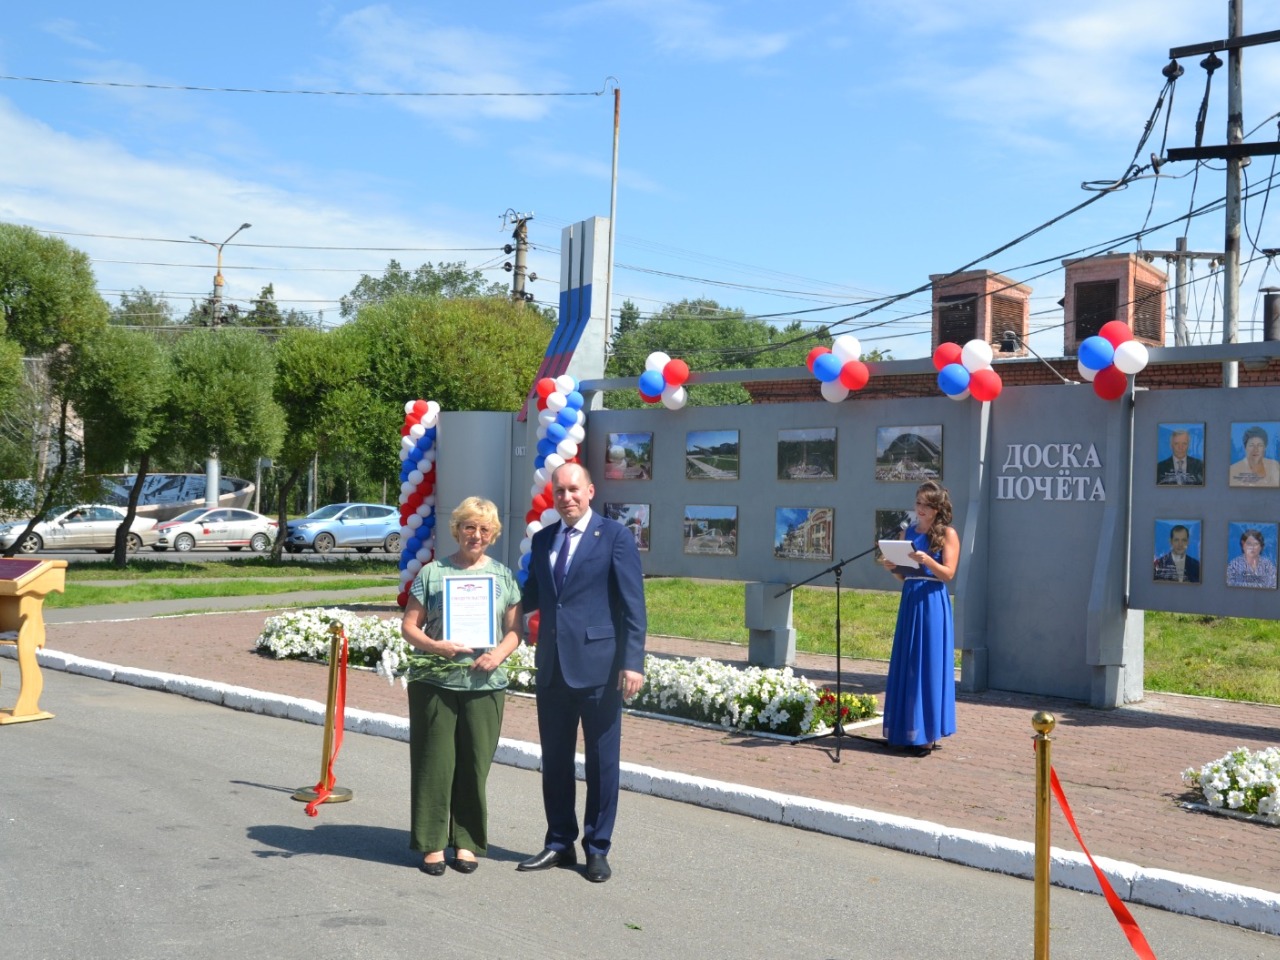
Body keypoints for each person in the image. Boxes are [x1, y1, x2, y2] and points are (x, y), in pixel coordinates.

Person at [518, 462, 647, 883]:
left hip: (600, 669)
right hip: (553, 668)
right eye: (559, 492)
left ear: (590, 491)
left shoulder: (615, 536)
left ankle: (597, 848)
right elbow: (528, 597)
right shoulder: (543, 540)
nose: (567, 498)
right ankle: (559, 843)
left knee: (601, 764)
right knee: (554, 761)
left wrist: (633, 662)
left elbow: (633, 606)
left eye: (574, 490)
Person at [401, 497, 522, 876]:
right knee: (433, 765)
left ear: (493, 534)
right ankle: (432, 844)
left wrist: (497, 656)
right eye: (469, 527)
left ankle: (466, 842)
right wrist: (437, 645)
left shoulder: (502, 576)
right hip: (435, 681)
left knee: (473, 766)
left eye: (484, 529)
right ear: (457, 530)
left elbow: (516, 630)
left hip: (486, 683)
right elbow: (409, 626)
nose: (476, 535)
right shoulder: (433, 574)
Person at [878, 480, 958, 757]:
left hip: (933, 599)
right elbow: (904, 575)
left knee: (929, 664)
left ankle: (928, 735)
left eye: (926, 504)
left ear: (937, 508)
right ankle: (907, 729)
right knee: (909, 661)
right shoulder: (908, 532)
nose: (920, 509)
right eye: (918, 503)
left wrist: (928, 561)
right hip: (911, 597)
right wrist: (893, 567)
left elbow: (948, 574)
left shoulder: (947, 534)